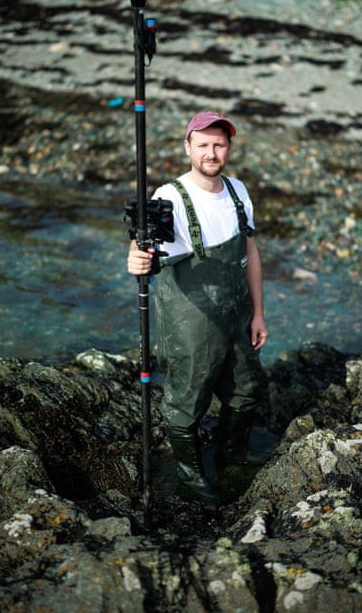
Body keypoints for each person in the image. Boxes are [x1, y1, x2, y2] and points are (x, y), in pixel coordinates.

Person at [127, 111, 269, 503]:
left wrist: (258, 313)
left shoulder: (239, 191)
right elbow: (143, 247)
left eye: (219, 144)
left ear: (229, 147)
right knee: (186, 401)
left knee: (247, 389)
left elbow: (251, 253)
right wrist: (135, 258)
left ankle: (232, 455)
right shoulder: (168, 197)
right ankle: (190, 474)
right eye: (203, 144)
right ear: (187, 146)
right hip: (190, 320)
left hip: (238, 315)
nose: (211, 152)